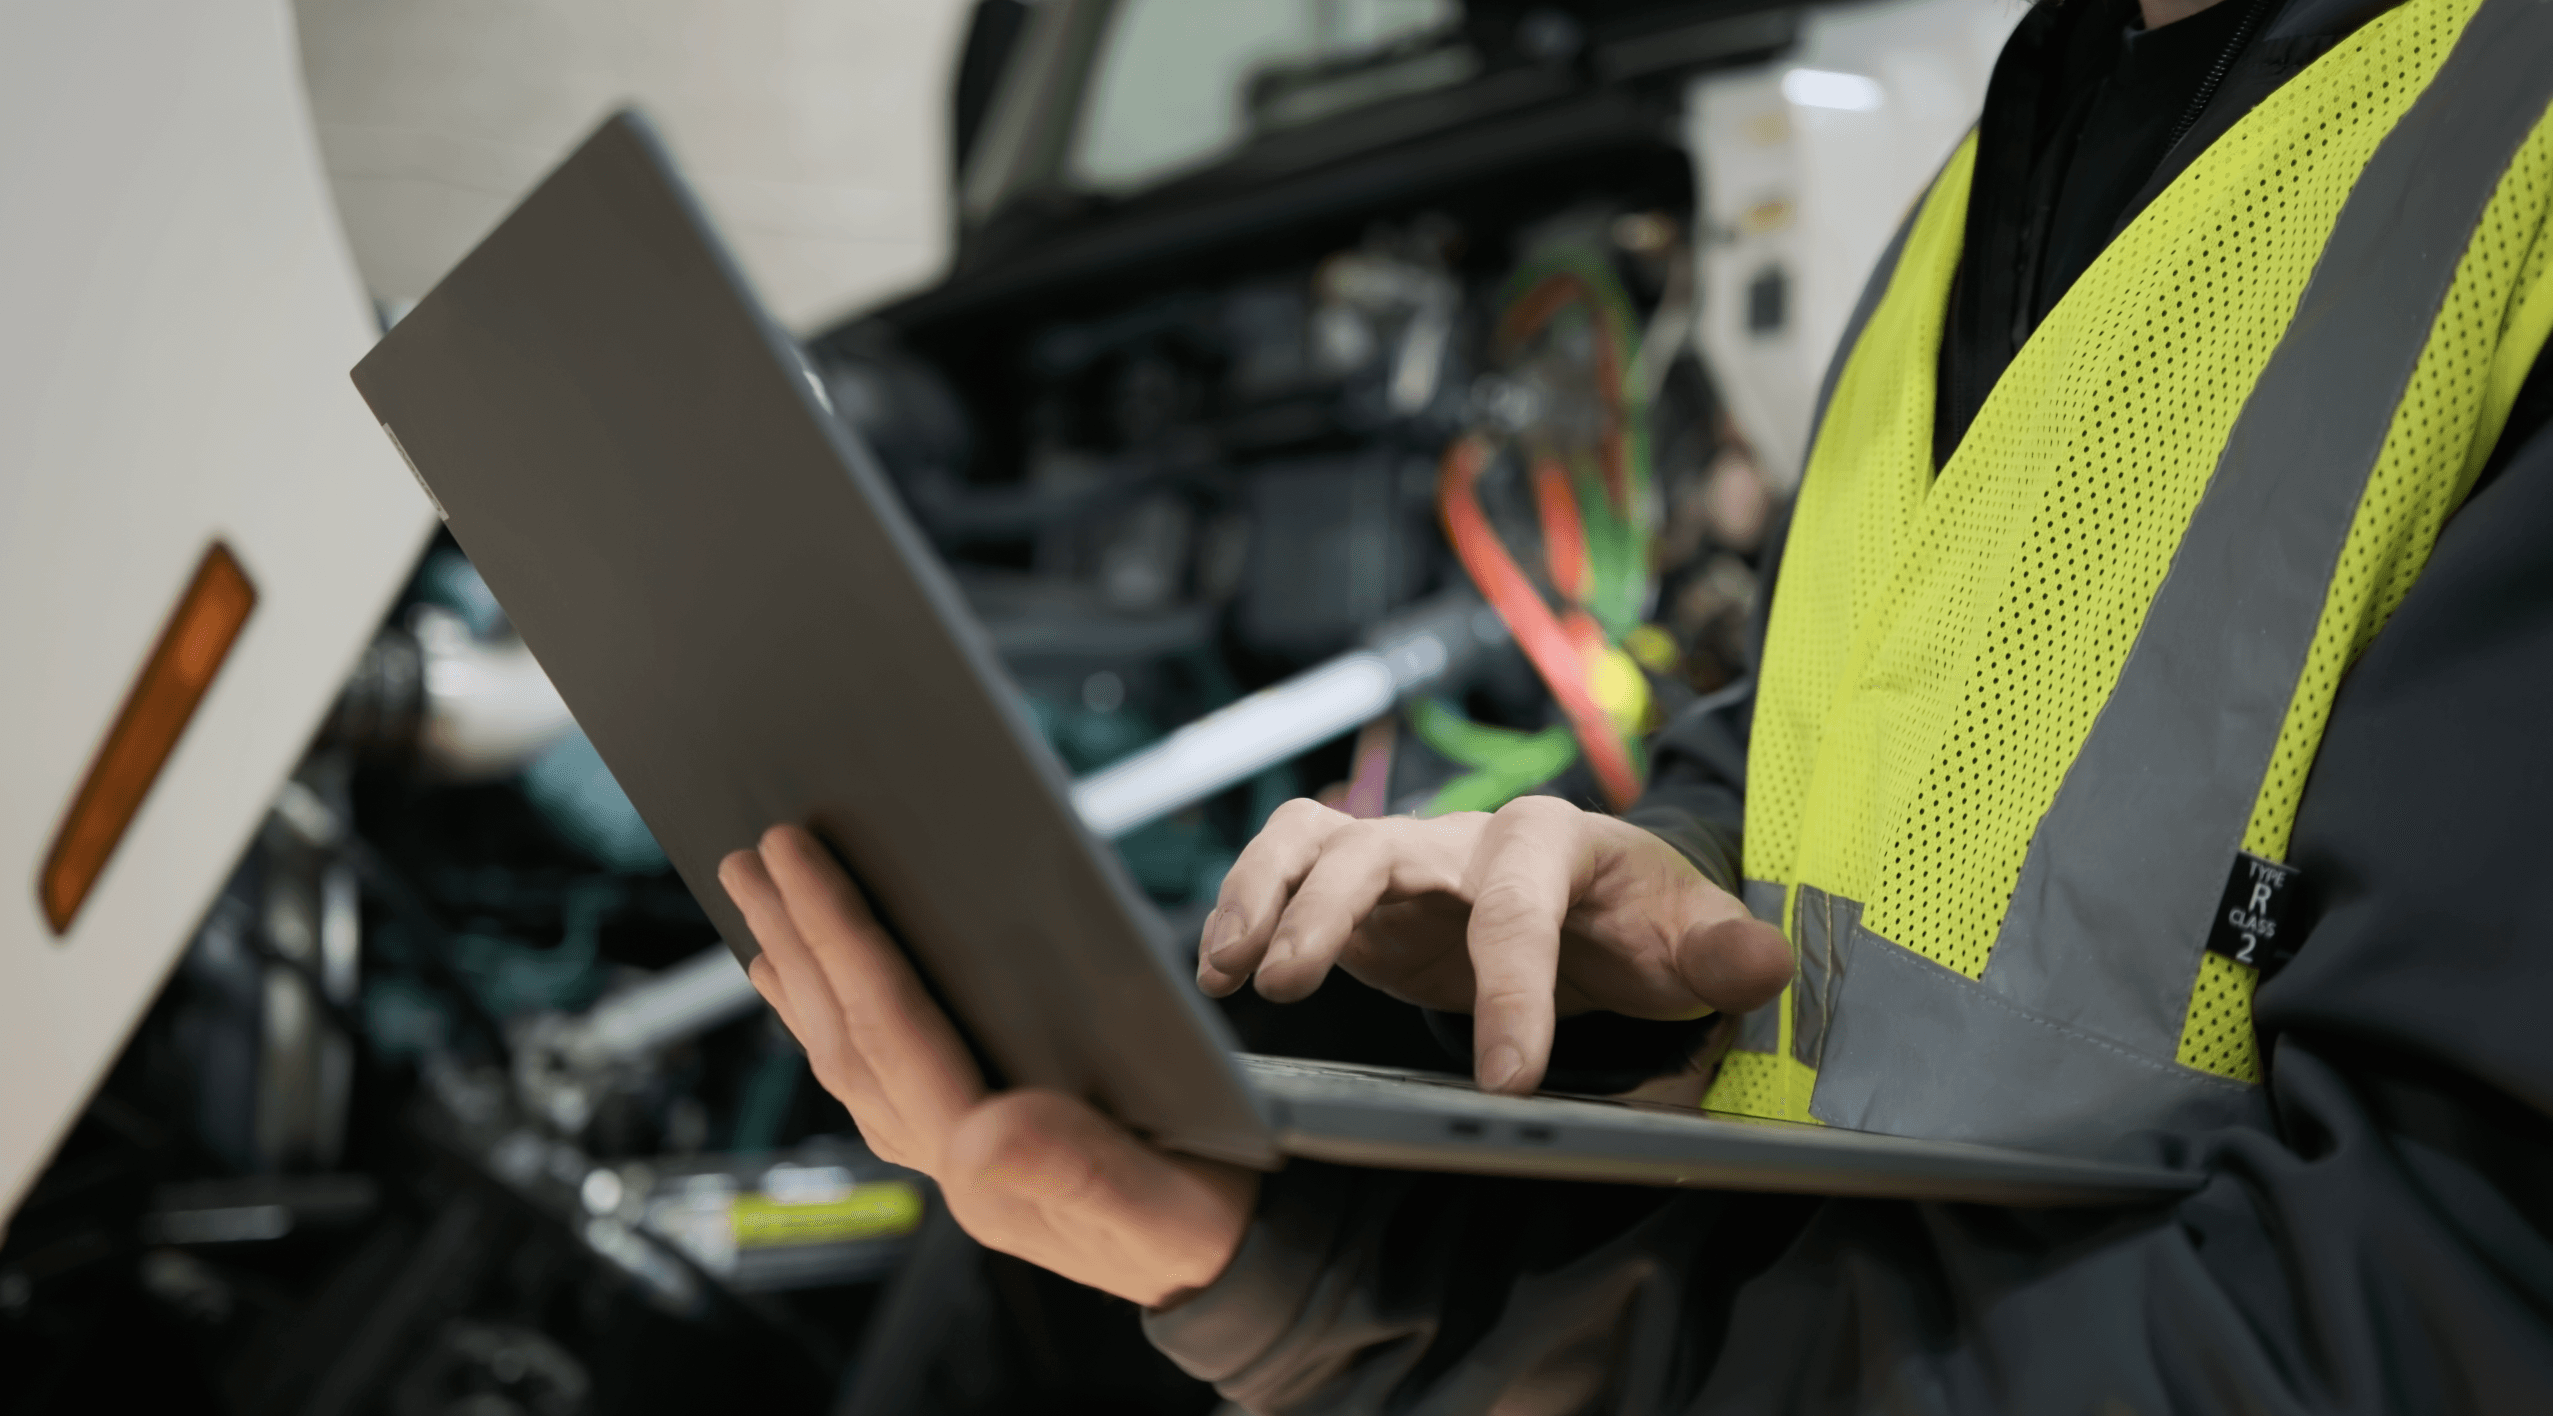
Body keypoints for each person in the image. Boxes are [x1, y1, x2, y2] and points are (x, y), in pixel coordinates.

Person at [724, 0, 2553, 1404]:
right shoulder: (2024, 146)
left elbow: (2431, 1310)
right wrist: (1642, 882)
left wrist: (1399, 1319)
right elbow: (1865, 730)